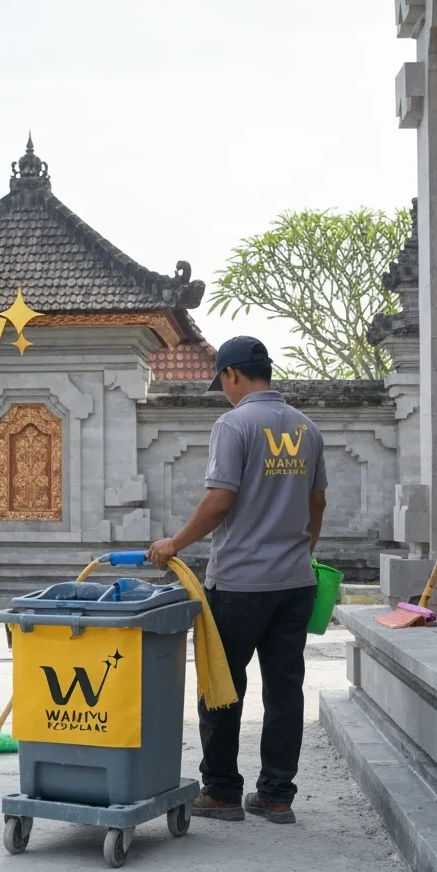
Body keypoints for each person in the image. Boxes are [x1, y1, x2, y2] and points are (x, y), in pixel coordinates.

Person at [146, 336, 327, 825]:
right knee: (285, 689)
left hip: (239, 584)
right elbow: (317, 503)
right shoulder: (307, 428)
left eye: (221, 382)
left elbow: (219, 501)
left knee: (221, 686)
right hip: (295, 583)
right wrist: (301, 554)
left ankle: (223, 792)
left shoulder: (234, 424)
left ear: (231, 375)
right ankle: (276, 795)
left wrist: (172, 545)